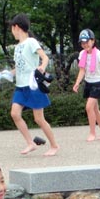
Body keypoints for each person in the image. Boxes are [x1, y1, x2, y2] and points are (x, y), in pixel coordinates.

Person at [9, 13, 59, 156]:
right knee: (15, 114)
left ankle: (54, 145)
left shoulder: (31, 42)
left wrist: (42, 66)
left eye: (12, 29)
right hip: (20, 86)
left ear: (16, 27)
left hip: (33, 85)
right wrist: (6, 74)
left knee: (39, 118)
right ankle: (30, 143)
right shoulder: (17, 47)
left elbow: (45, 57)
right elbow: (18, 67)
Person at [71, 28, 100, 142]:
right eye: (82, 42)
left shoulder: (99, 54)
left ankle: (92, 133)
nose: (84, 44)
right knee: (95, 109)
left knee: (89, 107)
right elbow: (82, 70)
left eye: (86, 41)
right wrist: (77, 83)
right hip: (88, 83)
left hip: (98, 83)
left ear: (92, 41)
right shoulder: (82, 54)